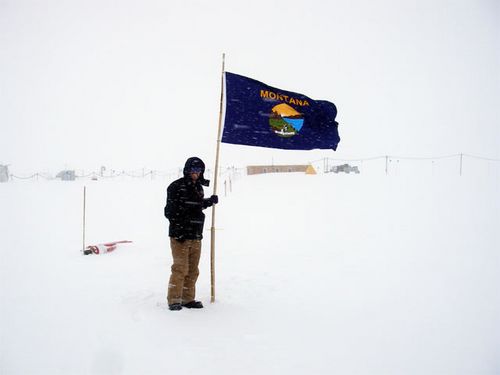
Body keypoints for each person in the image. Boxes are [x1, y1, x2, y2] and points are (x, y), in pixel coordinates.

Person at [164, 157, 218, 311]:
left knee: (193, 270)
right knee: (180, 268)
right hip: (180, 236)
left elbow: (196, 206)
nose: (196, 173)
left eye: (199, 170)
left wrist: (209, 201)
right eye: (193, 170)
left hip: (195, 235)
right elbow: (169, 212)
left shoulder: (198, 188)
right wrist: (179, 229)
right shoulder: (176, 186)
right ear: (187, 170)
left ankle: (187, 298)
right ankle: (174, 299)